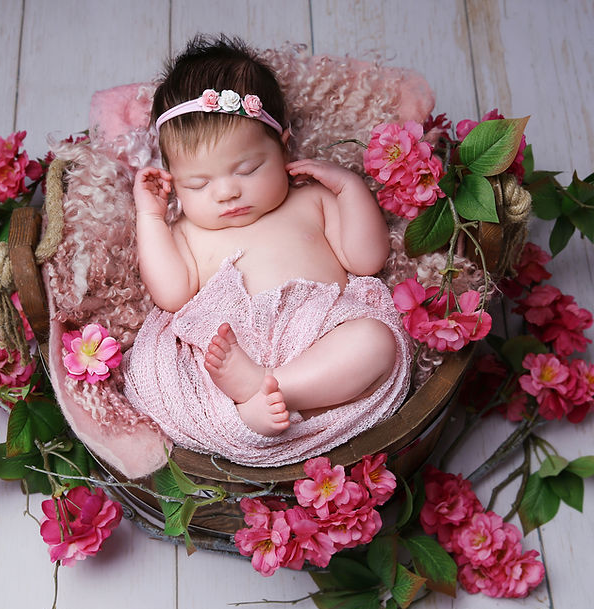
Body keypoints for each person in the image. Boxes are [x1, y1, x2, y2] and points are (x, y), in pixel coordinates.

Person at [122, 35, 410, 466]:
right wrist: (150, 217)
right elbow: (170, 295)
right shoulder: (185, 231)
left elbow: (367, 259)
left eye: (249, 168)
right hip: (230, 351)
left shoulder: (310, 199)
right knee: (164, 371)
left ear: (285, 146)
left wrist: (350, 189)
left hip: (321, 339)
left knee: (375, 341)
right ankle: (249, 399)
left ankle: (273, 386)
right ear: (175, 183)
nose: (226, 192)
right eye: (198, 184)